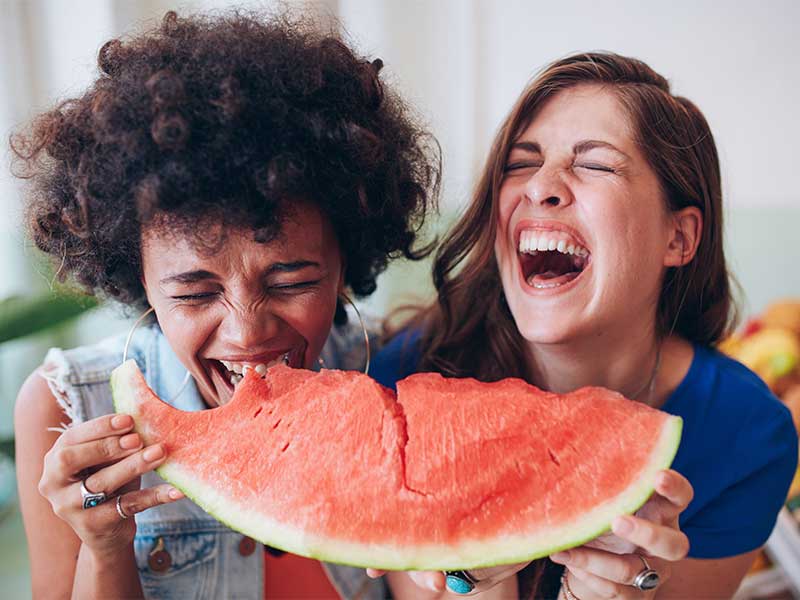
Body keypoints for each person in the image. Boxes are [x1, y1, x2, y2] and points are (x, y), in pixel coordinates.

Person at [12, 11, 439, 600]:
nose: (246, 332)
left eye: (290, 281)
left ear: (345, 259)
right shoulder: (65, 405)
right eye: (194, 292)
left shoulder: (391, 384)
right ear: (137, 274)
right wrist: (105, 547)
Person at [368, 52, 798, 599]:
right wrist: (467, 576)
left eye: (595, 164)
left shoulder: (747, 435)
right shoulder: (405, 387)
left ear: (679, 238)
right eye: (521, 163)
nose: (540, 186)